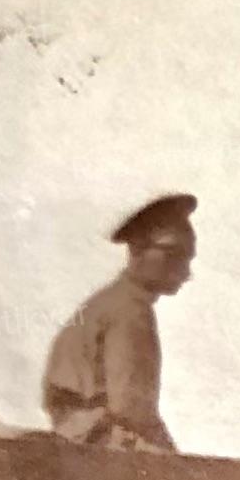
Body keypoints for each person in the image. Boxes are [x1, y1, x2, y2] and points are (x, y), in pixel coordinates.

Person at [42, 192, 195, 449]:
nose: (186, 272)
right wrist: (177, 458)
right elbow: (132, 410)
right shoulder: (130, 310)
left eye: (187, 258)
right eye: (175, 255)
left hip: (81, 437)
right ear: (138, 250)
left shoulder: (113, 300)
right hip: (99, 443)